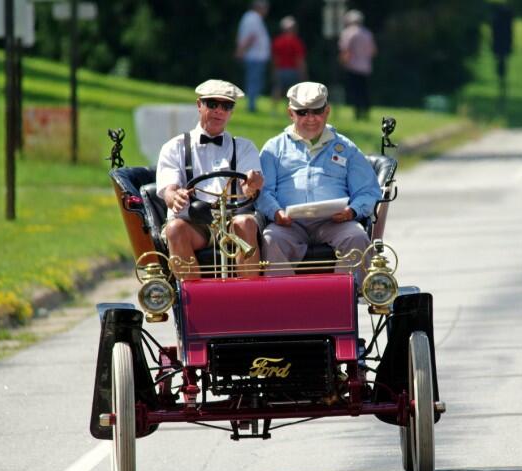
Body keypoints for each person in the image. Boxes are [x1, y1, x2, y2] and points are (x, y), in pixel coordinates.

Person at [256, 82, 380, 284]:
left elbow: (368, 191)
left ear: (327, 111)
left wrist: (352, 211)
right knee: (271, 239)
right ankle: (282, 301)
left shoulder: (345, 147)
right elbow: (262, 191)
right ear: (290, 113)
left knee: (357, 237)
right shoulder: (273, 148)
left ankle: (345, 297)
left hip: (335, 222)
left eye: (317, 111)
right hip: (289, 224)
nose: (310, 118)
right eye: (302, 112)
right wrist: (276, 213)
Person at [156, 79, 264, 280]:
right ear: (199, 105)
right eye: (212, 104)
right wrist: (175, 196)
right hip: (194, 223)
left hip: (232, 222)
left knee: (246, 223)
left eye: (227, 106)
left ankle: (250, 299)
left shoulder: (243, 147)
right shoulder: (175, 147)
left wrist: (253, 184)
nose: (219, 111)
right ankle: (195, 302)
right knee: (174, 229)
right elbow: (169, 191)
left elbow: (250, 188)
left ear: (231, 111)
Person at [338, 9, 376, 121]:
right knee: (364, 90)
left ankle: (358, 113)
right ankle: (366, 111)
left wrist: (343, 63)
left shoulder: (348, 33)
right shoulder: (367, 33)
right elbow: (373, 51)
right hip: (366, 67)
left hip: (353, 67)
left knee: (355, 91)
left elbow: (345, 50)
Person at [235, 0, 271, 113]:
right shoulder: (254, 18)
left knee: (253, 81)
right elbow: (251, 37)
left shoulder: (250, 17)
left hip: (255, 56)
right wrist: (241, 51)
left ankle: (251, 103)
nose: (266, 11)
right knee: (254, 81)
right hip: (255, 56)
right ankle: (251, 105)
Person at [271, 16, 307, 109]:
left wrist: (274, 70)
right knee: (292, 92)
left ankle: (274, 109)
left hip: (280, 69)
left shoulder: (278, 41)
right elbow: (299, 59)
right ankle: (290, 110)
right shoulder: (296, 42)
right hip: (293, 70)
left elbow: (275, 58)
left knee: (277, 89)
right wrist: (303, 73)